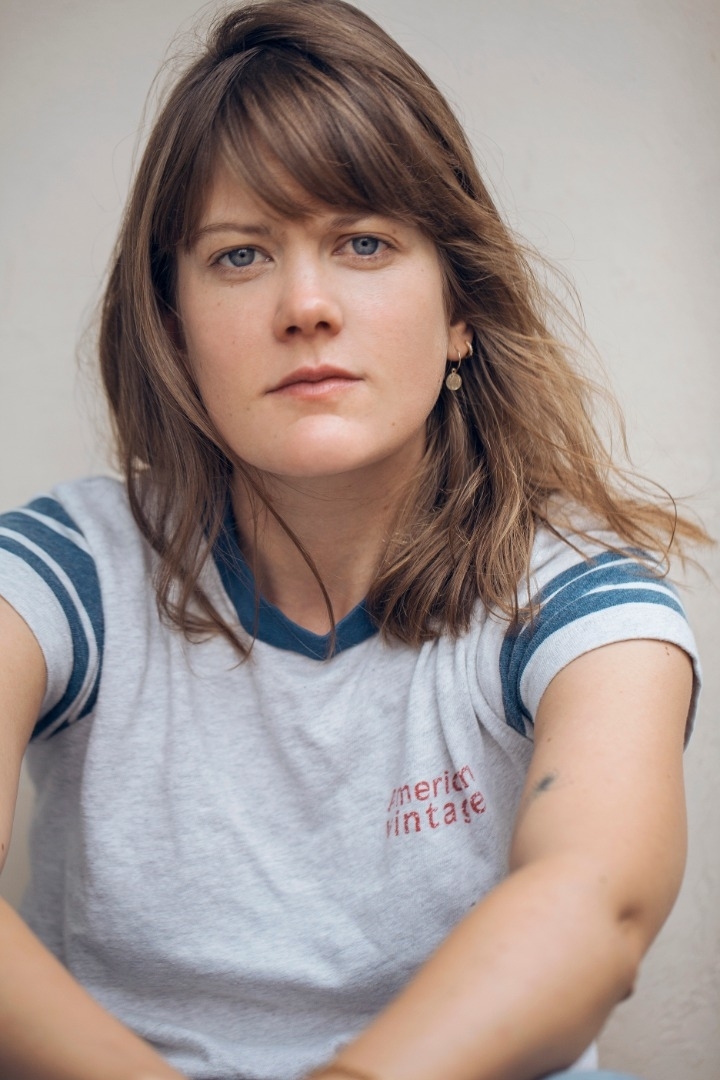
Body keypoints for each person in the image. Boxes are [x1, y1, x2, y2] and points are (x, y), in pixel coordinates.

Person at [0, 1, 708, 1078]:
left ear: (461, 310)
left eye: (364, 243)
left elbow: (595, 905)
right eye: (240, 255)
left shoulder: (584, 604)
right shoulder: (61, 572)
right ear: (174, 328)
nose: (306, 306)